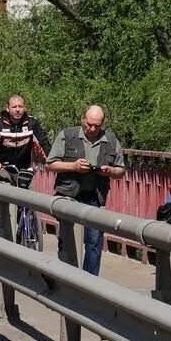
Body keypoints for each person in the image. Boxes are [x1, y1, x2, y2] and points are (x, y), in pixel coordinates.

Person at [50, 105, 126, 276]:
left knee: (94, 241)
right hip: (68, 195)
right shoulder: (67, 135)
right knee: (68, 240)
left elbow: (121, 170)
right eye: (89, 124)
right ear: (82, 119)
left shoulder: (111, 140)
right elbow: (50, 165)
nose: (92, 129)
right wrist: (73, 166)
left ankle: (89, 282)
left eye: (97, 126)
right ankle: (66, 277)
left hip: (94, 196)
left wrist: (110, 171)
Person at [0, 95, 50, 246]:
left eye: (20, 106)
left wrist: (51, 159)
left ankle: (29, 226)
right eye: (14, 107)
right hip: (3, 168)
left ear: (24, 107)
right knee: (4, 194)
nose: (18, 110)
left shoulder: (32, 123)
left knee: (29, 199)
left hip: (23, 168)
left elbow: (44, 141)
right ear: (7, 108)